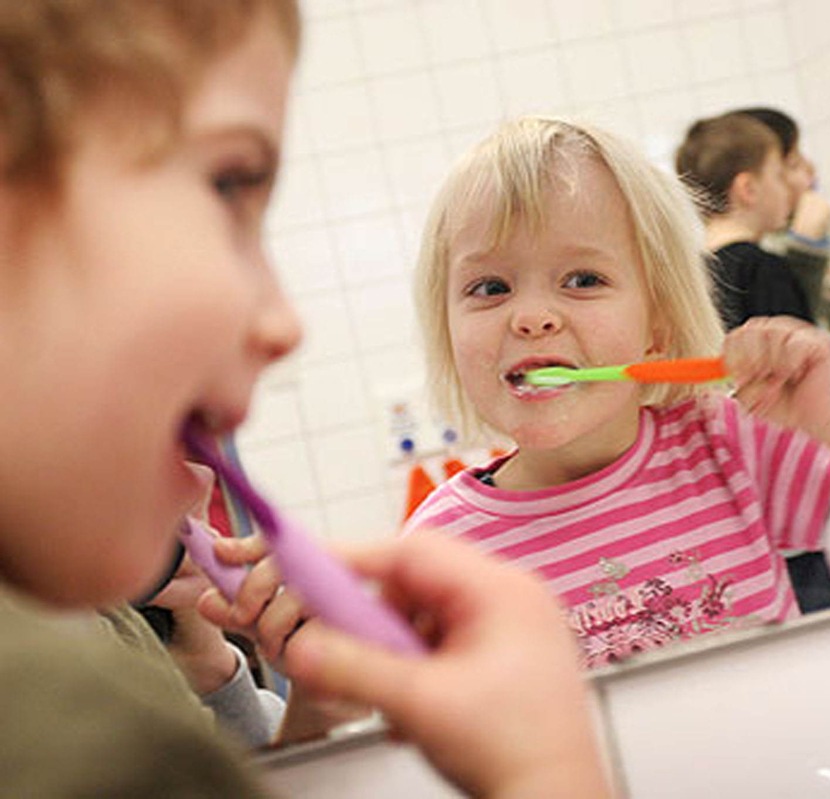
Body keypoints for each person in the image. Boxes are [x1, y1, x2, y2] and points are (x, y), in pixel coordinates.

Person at [0, 2, 611, 797]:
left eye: (585, 279)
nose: (284, 323)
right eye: (227, 184)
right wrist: (547, 775)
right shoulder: (65, 730)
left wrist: (282, 697)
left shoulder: (85, 635)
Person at [404, 115, 830, 670]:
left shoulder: (725, 444)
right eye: (489, 287)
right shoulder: (439, 555)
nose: (531, 318)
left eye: (583, 280)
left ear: (657, 326)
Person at [731, 106, 830, 332]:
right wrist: (804, 248)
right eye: (794, 163)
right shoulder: (756, 256)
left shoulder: (816, 221)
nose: (810, 169)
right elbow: (800, 326)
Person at [674, 112, 814, 329]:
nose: (786, 187)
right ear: (748, 189)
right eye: (778, 175)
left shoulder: (691, 276)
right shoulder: (764, 270)